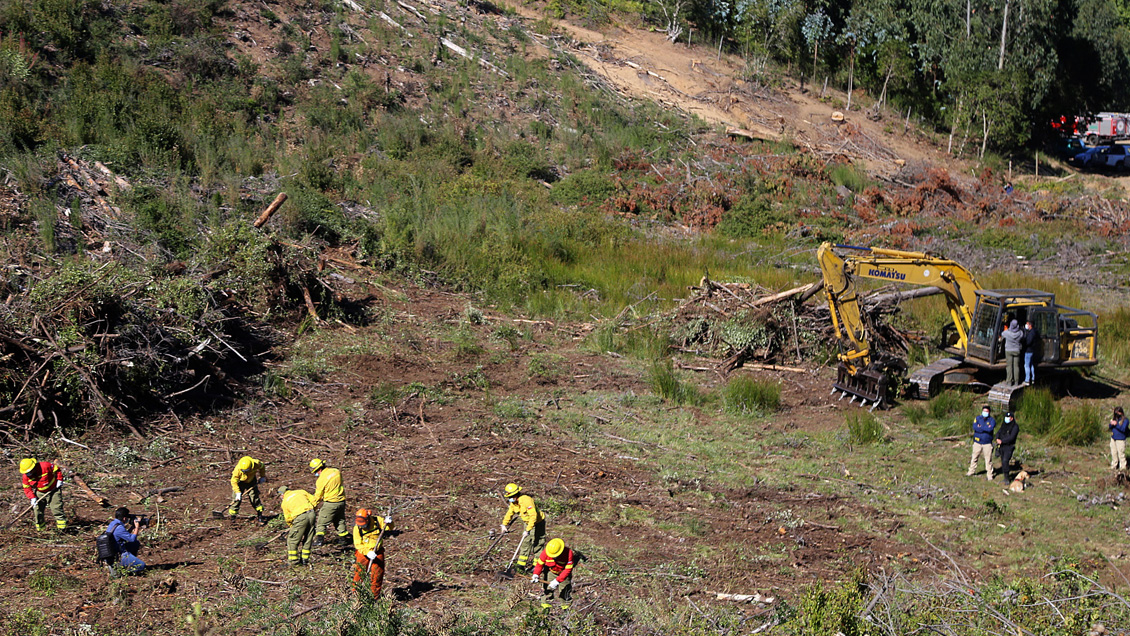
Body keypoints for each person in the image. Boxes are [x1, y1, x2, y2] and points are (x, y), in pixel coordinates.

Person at [500, 483, 546, 572]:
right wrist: (504, 524)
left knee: (537, 543)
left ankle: (537, 566)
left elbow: (533, 516)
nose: (510, 499)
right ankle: (521, 565)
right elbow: (510, 512)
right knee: (525, 543)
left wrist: (528, 530)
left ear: (516, 494)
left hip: (537, 522)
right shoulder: (514, 503)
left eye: (512, 496)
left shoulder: (526, 500)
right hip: (527, 522)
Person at [352, 508, 393, 599]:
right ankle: (355, 596)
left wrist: (389, 522)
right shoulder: (357, 528)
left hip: (377, 552)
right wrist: (367, 552)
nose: (362, 527)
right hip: (363, 553)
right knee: (359, 573)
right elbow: (358, 544)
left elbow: (389, 528)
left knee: (377, 575)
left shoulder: (377, 521)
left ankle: (375, 596)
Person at [19, 458, 67, 531]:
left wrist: (59, 479)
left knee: (56, 509)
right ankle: (41, 530)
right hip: (40, 492)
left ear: (33, 467)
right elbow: (26, 488)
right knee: (37, 510)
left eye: (29, 471)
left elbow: (57, 470)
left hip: (53, 490)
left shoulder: (45, 466)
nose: (28, 473)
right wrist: (32, 498)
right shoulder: (26, 476)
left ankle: (62, 529)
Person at [309, 459, 348, 547]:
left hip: (330, 503)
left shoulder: (321, 479)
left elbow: (318, 496)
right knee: (339, 520)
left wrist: (312, 506)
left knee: (321, 522)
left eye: (315, 471)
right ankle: (343, 538)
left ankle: (319, 540)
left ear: (319, 469)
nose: (316, 474)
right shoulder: (336, 471)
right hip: (341, 501)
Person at [531, 538, 575, 610]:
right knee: (548, 589)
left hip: (563, 573)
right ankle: (546, 606)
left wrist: (558, 580)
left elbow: (568, 569)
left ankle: (566, 608)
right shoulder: (545, 553)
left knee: (565, 590)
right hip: (551, 572)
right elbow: (539, 565)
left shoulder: (568, 553)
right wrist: (536, 574)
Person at [278, 486, 317, 566]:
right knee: (308, 537)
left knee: (292, 540)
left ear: (282, 494)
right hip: (311, 514)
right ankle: (305, 559)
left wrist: (291, 526)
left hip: (300, 518)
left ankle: (293, 561)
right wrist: (311, 509)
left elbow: (288, 518)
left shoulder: (285, 502)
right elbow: (314, 499)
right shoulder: (301, 491)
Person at [107, 507, 146, 575]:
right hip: (119, 554)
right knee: (142, 566)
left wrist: (132, 527)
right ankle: (122, 568)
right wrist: (137, 527)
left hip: (113, 552)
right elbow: (132, 539)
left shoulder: (113, 524)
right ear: (124, 518)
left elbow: (124, 536)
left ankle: (128, 562)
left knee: (135, 543)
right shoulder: (119, 528)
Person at [229, 456, 267, 523]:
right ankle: (233, 517)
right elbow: (233, 481)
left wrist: (262, 476)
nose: (245, 472)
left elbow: (262, 467)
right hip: (240, 483)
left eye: (247, 471)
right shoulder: (237, 470)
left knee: (254, 498)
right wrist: (238, 492)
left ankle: (260, 516)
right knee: (236, 500)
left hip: (251, 481)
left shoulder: (256, 464)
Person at [967, 405, 996, 480]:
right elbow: (975, 427)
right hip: (977, 442)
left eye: (986, 411)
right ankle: (971, 471)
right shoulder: (977, 418)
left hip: (987, 443)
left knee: (988, 460)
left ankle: (989, 475)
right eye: (984, 411)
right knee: (974, 457)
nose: (985, 412)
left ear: (989, 412)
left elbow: (990, 429)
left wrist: (981, 427)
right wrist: (984, 428)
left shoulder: (992, 420)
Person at [995, 411, 1020, 481]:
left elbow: (1012, 437)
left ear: (1011, 418)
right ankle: (1005, 475)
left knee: (1005, 461)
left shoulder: (1015, 427)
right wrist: (997, 438)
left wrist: (1002, 441)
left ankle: (1007, 478)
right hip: (1001, 446)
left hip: (1009, 446)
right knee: (1002, 461)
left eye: (1008, 417)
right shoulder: (1004, 425)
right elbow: (999, 432)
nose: (1006, 418)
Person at [1000, 320, 1024, 386]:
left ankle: (1009, 382)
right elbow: (1022, 335)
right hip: (1017, 350)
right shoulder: (1020, 333)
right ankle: (1016, 382)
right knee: (1016, 366)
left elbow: (1002, 334)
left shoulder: (1007, 333)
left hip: (1008, 350)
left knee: (1009, 366)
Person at [1109, 406, 1129, 471]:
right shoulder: (1115, 418)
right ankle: (1114, 465)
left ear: (1121, 413)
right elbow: (1110, 427)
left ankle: (1123, 467)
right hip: (1113, 438)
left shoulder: (1125, 420)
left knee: (1121, 454)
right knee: (1113, 453)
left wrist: (1116, 424)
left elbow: (1123, 429)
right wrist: (1111, 423)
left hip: (1120, 439)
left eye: (1118, 413)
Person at [1022, 319, 1039, 385]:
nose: (1026, 325)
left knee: (1026, 365)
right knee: (1031, 365)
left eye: (1027, 324)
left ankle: (1027, 380)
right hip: (1032, 350)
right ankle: (1032, 378)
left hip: (1029, 351)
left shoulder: (1031, 333)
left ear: (1030, 325)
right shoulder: (1034, 332)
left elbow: (1028, 342)